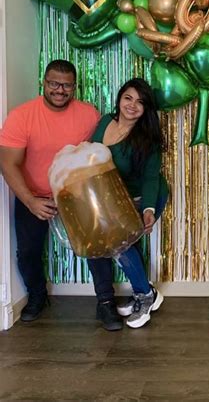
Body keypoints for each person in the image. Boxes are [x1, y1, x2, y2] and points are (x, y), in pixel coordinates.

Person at [0, 60, 100, 322]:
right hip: (34, 194)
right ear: (43, 83)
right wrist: (30, 201)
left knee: (98, 245)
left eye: (67, 85)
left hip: (76, 194)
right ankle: (36, 296)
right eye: (54, 83)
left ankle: (106, 301)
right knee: (29, 251)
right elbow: (7, 163)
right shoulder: (21, 116)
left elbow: (98, 156)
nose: (60, 90)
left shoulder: (89, 115)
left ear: (75, 87)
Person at [87, 78, 168, 331]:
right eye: (128, 98)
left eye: (140, 102)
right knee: (115, 245)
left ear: (146, 109)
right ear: (120, 98)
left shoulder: (147, 139)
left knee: (120, 245)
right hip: (111, 198)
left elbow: (151, 178)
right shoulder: (104, 122)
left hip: (142, 196)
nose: (132, 106)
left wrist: (148, 210)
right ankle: (147, 292)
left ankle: (145, 297)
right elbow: (90, 157)